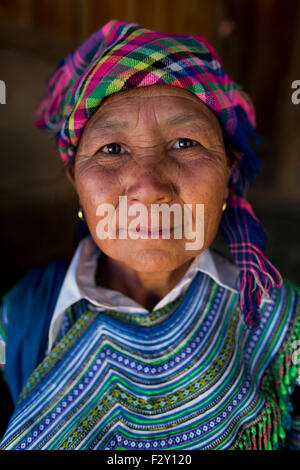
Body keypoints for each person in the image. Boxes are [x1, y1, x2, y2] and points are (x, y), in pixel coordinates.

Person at [0, 20, 299, 451]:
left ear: (229, 174)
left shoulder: (285, 323)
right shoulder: (21, 319)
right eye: (112, 149)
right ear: (74, 179)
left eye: (184, 143)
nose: (149, 188)